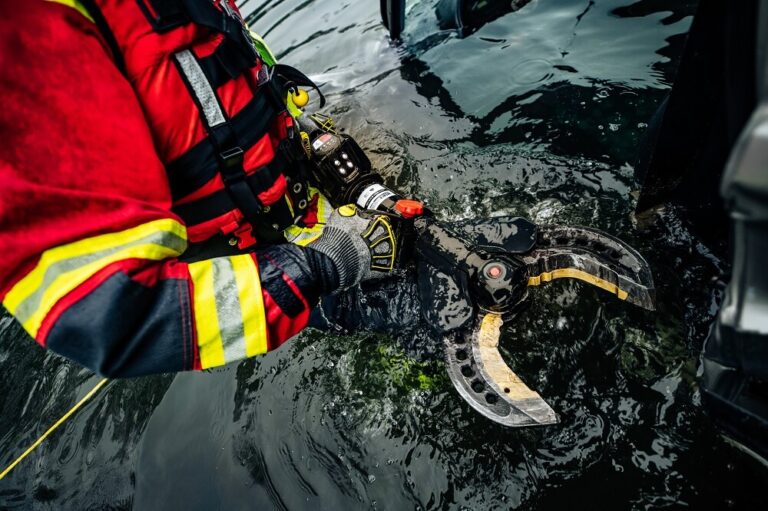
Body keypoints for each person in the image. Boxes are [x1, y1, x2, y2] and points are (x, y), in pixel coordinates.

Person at [0, 0, 403, 377]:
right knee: (411, 341)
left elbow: (222, 78)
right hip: (266, 270)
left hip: (313, 206)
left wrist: (302, 132)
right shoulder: (29, 33)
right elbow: (110, 318)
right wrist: (318, 267)